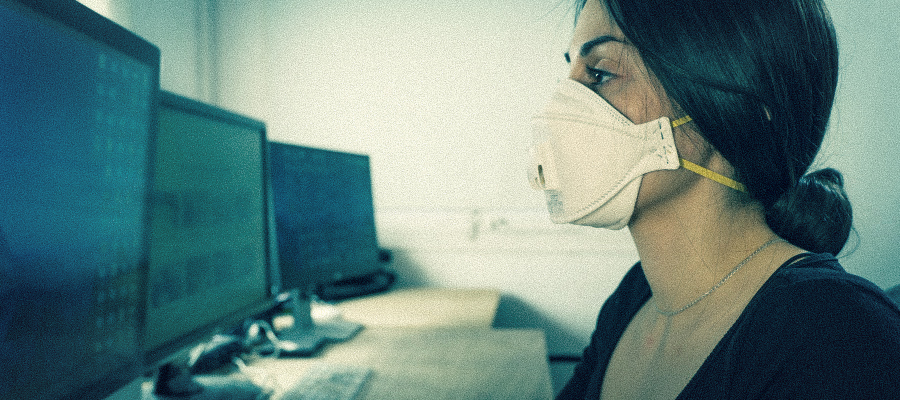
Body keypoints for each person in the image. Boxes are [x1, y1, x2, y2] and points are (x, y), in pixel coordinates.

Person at [526, 0, 900, 398]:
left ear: (741, 103)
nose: (561, 108)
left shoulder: (838, 333)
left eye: (600, 73)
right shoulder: (637, 295)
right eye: (570, 74)